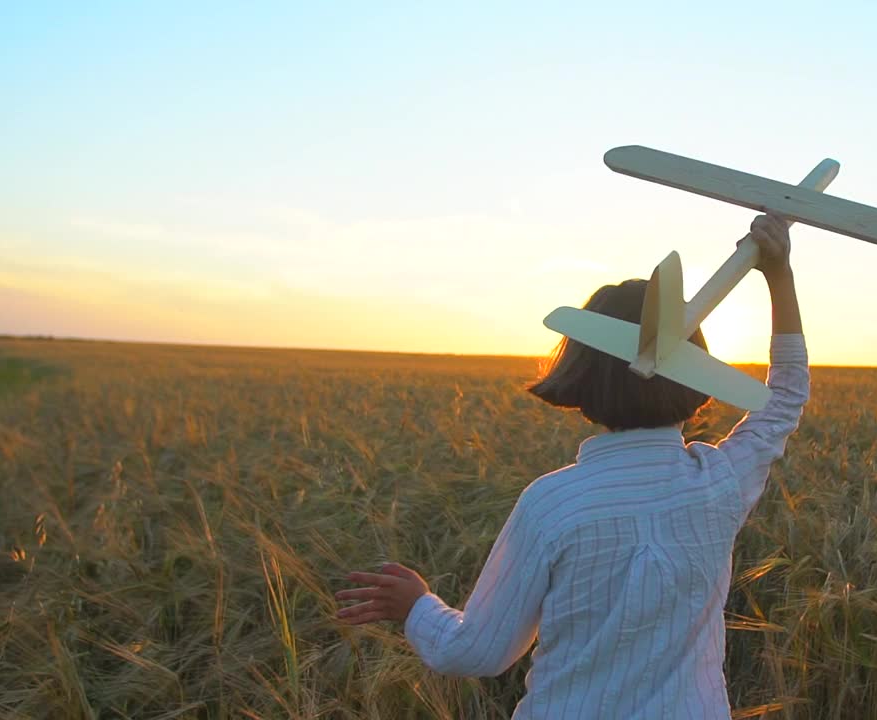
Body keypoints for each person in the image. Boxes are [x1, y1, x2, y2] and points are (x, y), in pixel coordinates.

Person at [335, 214, 810, 718]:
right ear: (692, 373)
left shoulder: (553, 504)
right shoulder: (718, 482)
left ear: (582, 375)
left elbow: (479, 651)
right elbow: (784, 399)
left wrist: (416, 606)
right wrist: (779, 275)